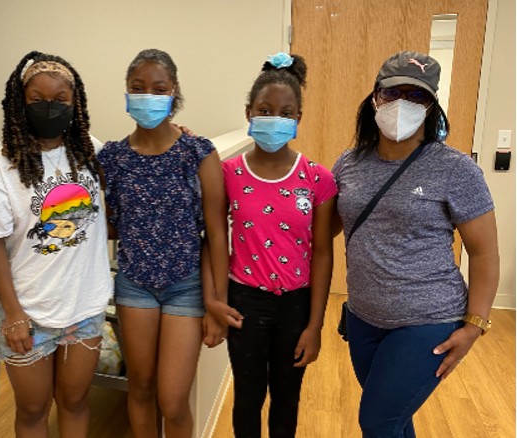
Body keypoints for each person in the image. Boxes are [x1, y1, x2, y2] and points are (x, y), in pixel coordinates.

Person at [333, 51, 499, 437]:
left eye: (416, 95)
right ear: (375, 97)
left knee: (378, 421)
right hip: (362, 318)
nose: (402, 104)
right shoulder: (349, 162)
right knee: (394, 419)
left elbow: (485, 252)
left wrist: (475, 324)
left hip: (428, 320)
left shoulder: (455, 169)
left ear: (431, 106)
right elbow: (322, 229)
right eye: (392, 93)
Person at [0, 51, 113, 437]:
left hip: (83, 306)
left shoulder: (91, 153)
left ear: (76, 104)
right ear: (21, 104)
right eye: (37, 100)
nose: (50, 108)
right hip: (27, 311)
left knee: (75, 402)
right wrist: (14, 313)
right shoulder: (1, 167)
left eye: (61, 100)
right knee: (33, 409)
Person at [204, 52, 337, 438]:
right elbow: (211, 238)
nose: (275, 119)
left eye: (285, 112)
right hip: (244, 302)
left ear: (297, 119)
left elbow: (323, 253)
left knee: (286, 397)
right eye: (265, 109)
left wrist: (315, 325)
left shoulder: (318, 179)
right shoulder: (227, 173)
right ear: (249, 112)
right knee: (247, 398)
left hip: (296, 305)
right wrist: (214, 300)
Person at [97, 48, 229, 437]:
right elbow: (107, 224)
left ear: (174, 93)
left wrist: (217, 301)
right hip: (134, 284)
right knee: (138, 387)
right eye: (138, 88)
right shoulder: (113, 158)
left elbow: (217, 231)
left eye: (159, 88)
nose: (148, 95)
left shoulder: (197, 152)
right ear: (126, 93)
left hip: (184, 288)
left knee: (173, 400)